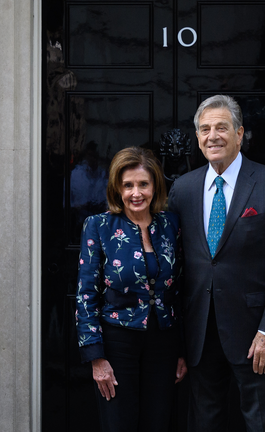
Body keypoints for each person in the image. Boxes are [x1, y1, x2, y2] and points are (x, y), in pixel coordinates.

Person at [168, 95, 265, 432]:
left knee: (262, 424)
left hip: (256, 334)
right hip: (200, 333)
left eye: (221, 127)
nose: (212, 135)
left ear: (240, 134)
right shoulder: (182, 190)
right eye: (204, 129)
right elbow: (176, 264)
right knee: (204, 422)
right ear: (197, 138)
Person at [75, 146, 187, 432]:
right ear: (117, 188)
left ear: (155, 187)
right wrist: (96, 357)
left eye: (143, 184)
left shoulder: (170, 225)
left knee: (158, 422)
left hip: (163, 342)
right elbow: (86, 293)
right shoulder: (98, 226)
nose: (136, 193)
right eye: (128, 185)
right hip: (117, 343)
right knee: (119, 423)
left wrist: (182, 351)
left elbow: (183, 289)